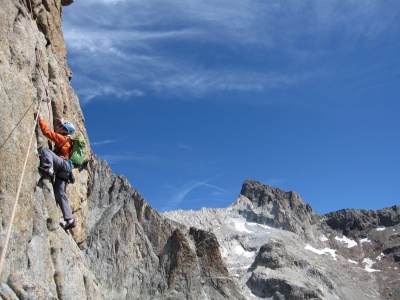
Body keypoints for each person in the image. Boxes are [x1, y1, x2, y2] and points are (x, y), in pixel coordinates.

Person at [36, 110, 76, 230]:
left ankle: (48, 168)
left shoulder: (61, 138)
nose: (57, 127)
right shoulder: (68, 140)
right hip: (65, 171)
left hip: (62, 166)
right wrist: (63, 122)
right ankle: (70, 219)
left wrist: (41, 118)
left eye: (60, 127)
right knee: (60, 193)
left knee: (45, 150)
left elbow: (46, 132)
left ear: (64, 130)